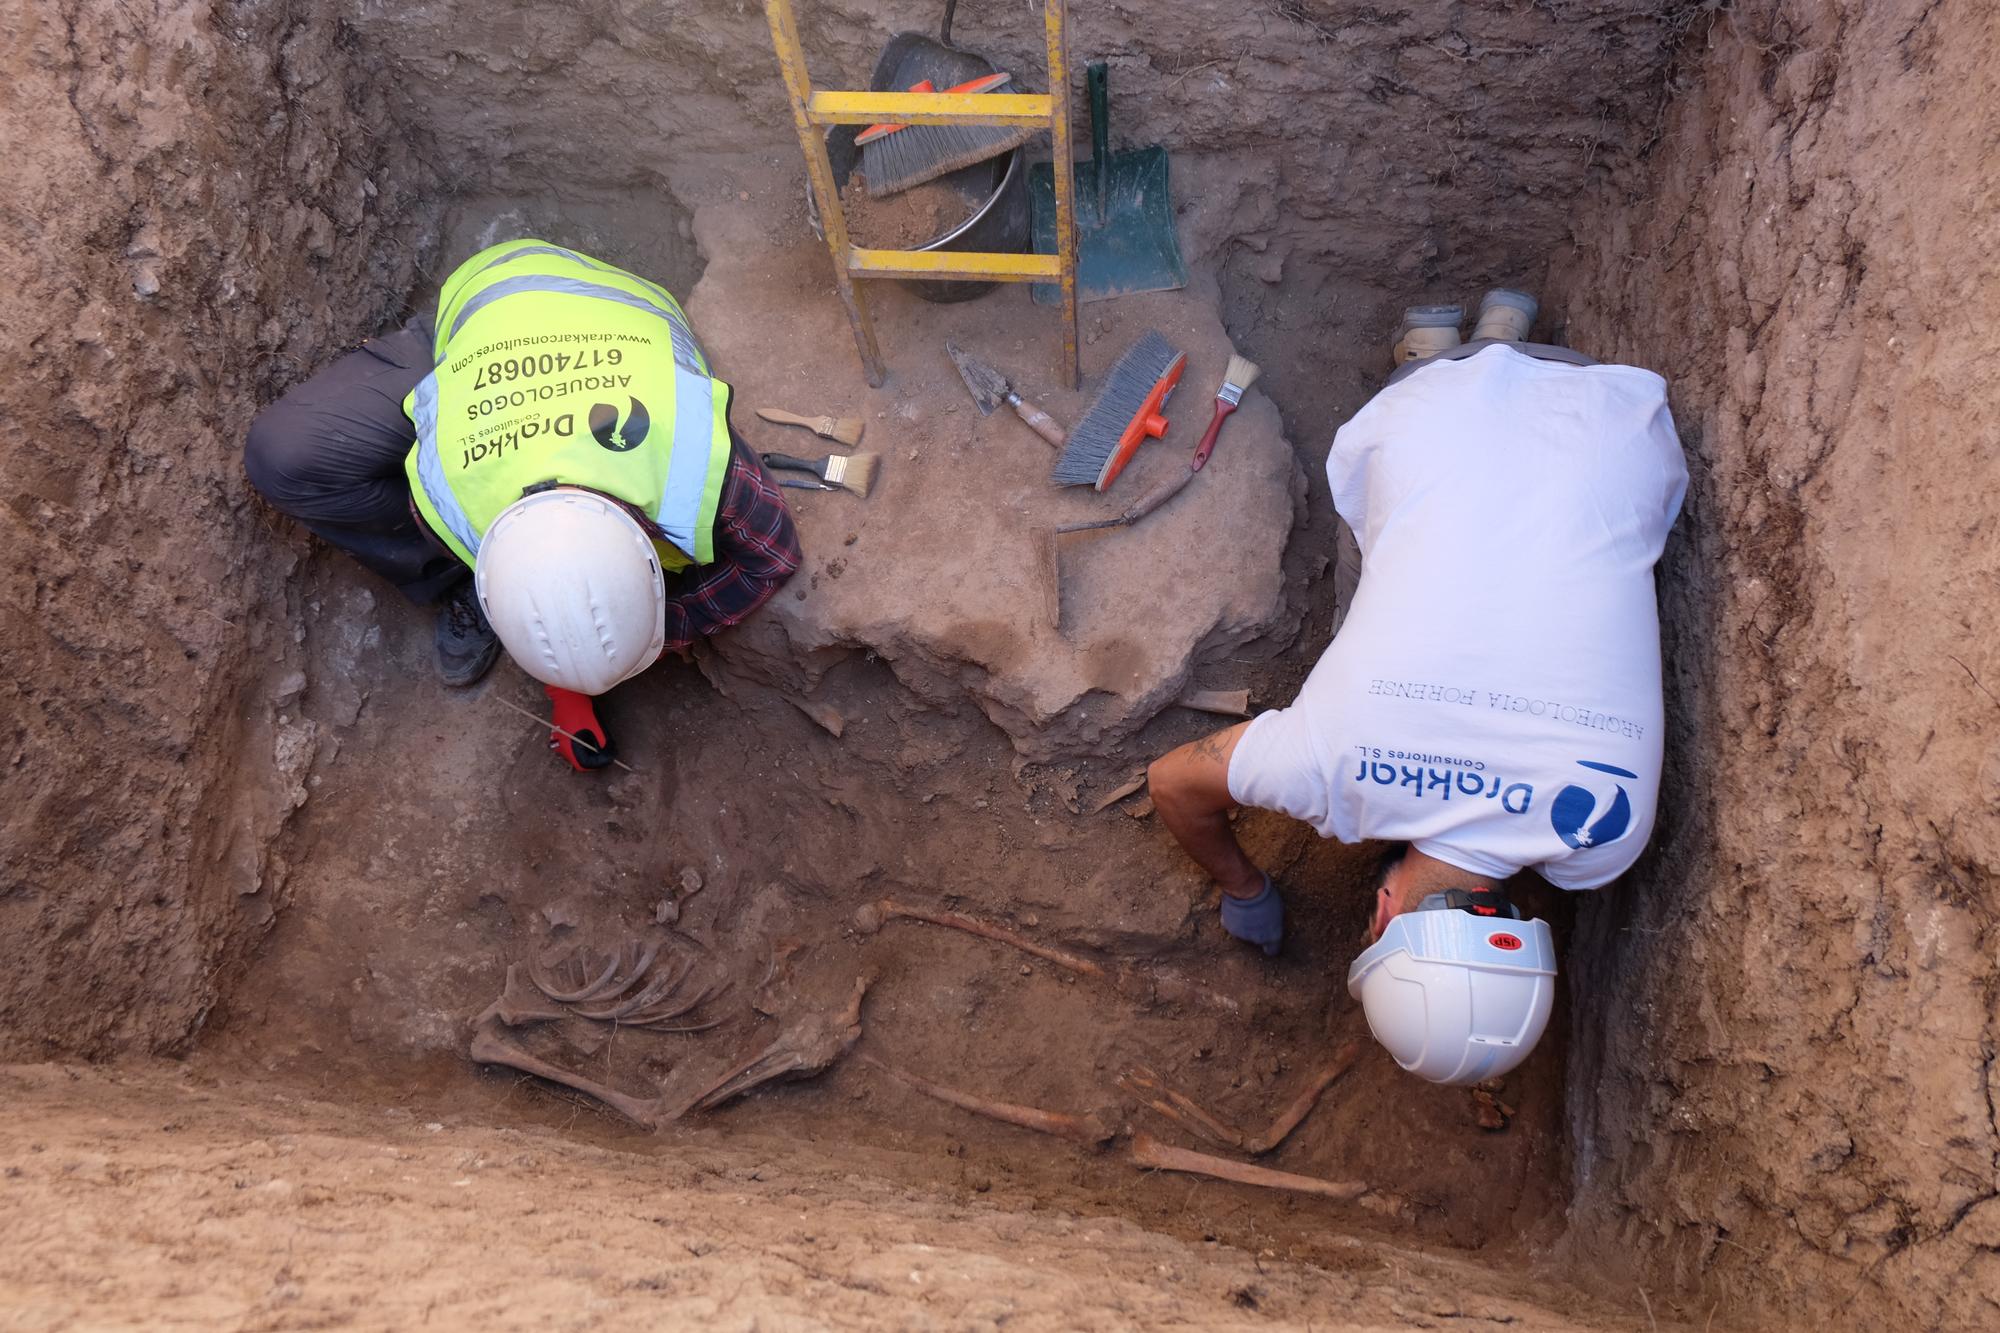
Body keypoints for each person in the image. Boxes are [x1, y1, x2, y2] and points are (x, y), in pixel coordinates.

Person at [1147, 289, 1688, 1085]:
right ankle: (1434, 361)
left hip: (1607, 416)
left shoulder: (1602, 843)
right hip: (1446, 419)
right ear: (1383, 916)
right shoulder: (1324, 765)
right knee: (1371, 598)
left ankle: (1489, 339)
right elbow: (1172, 781)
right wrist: (1242, 882)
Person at [244, 240, 801, 769]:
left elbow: (770, 556)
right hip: (484, 312)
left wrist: (660, 633)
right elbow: (541, 575)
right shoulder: (447, 491)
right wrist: (563, 669)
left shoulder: (690, 460)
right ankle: (454, 588)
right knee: (286, 456)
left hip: (614, 316)